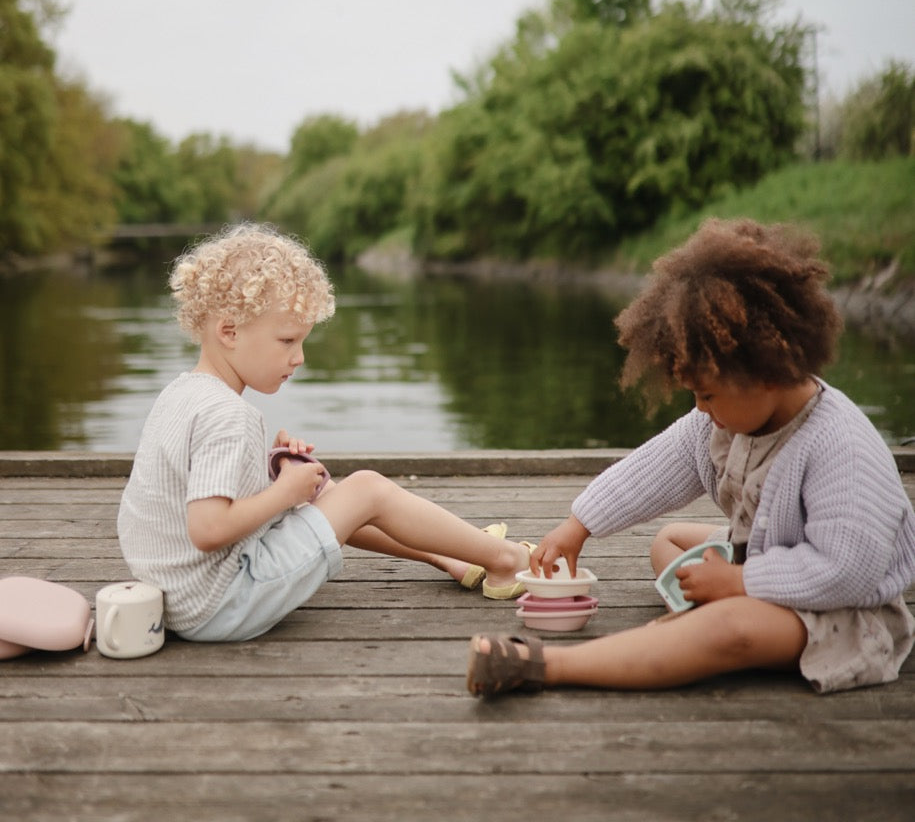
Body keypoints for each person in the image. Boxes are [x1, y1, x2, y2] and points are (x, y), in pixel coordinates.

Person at [467, 218, 915, 698]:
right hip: (770, 560)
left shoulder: (839, 446)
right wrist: (579, 525)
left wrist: (740, 582)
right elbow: (656, 467)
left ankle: (547, 666)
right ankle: (701, 621)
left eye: (707, 394)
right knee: (671, 541)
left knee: (730, 625)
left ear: (767, 370)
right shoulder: (726, 420)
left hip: (843, 617)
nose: (701, 409)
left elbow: (847, 571)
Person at [117, 223, 533, 642]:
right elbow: (207, 530)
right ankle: (506, 559)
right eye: (287, 340)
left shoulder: (181, 393)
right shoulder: (228, 415)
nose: (299, 358)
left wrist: (272, 472)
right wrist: (284, 494)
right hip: (221, 603)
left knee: (324, 491)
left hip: (175, 598)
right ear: (229, 332)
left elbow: (200, 493)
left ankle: (453, 558)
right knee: (366, 489)